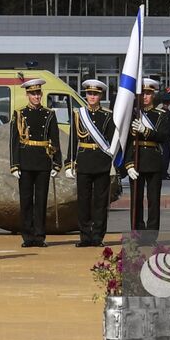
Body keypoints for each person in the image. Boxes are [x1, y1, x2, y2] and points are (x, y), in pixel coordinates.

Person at [9, 77, 60, 248]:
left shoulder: (49, 114)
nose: (36, 97)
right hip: (25, 161)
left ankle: (39, 236)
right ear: (27, 95)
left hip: (43, 161)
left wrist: (56, 163)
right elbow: (14, 141)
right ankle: (27, 236)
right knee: (26, 201)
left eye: (38, 93)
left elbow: (55, 139)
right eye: (33, 94)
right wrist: (14, 164)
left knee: (41, 201)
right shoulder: (19, 114)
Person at [66, 78, 117, 248]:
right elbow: (73, 140)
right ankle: (85, 236)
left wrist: (114, 162)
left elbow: (112, 141)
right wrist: (69, 163)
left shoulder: (107, 115)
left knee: (100, 203)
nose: (92, 97)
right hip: (84, 161)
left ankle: (98, 236)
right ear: (86, 95)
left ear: (100, 96)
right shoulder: (78, 115)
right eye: (89, 93)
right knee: (83, 202)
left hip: (101, 161)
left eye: (95, 94)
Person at [126, 78, 170, 245]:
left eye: (149, 93)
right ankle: (137, 234)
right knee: (136, 201)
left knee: (153, 201)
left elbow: (164, 136)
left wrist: (145, 130)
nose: (145, 96)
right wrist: (128, 163)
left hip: (153, 159)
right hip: (136, 160)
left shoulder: (161, 115)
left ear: (154, 95)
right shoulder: (132, 114)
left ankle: (151, 236)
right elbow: (126, 141)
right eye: (143, 93)